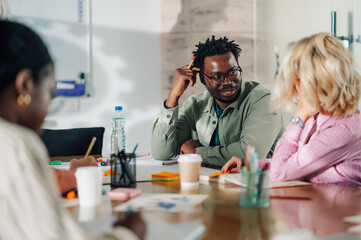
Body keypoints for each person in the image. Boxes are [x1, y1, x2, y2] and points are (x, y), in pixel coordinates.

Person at [0, 21, 143, 240]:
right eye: (50, 95)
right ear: (26, 85)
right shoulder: (15, 144)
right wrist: (128, 233)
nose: (48, 109)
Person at [222, 33, 361, 188]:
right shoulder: (319, 117)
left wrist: (298, 117)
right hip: (321, 203)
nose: (295, 87)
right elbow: (295, 161)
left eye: (298, 79)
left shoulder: (341, 129)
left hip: (342, 209)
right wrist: (252, 165)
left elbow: (279, 173)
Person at [151, 36, 284, 168]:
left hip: (257, 186)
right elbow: (162, 153)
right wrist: (173, 96)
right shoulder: (195, 105)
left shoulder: (264, 100)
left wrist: (197, 153)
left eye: (233, 72)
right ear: (202, 79)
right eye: (217, 77)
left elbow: (249, 155)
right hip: (213, 184)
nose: (227, 81)